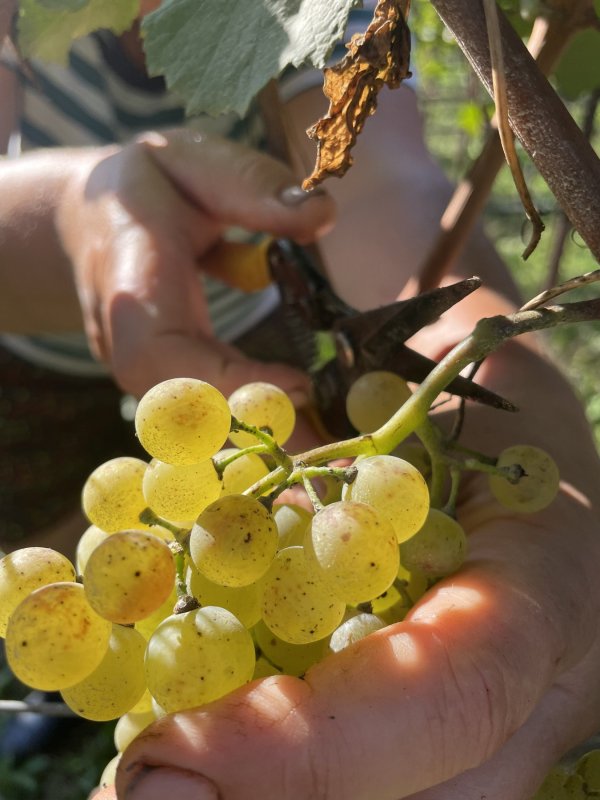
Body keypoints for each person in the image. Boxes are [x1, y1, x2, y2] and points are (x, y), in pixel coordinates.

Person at [2, 4, 600, 800]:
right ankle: (78, 674)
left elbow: (389, 195)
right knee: (70, 541)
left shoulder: (307, 9)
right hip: (20, 359)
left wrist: (509, 394)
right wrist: (77, 208)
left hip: (246, 355)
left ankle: (113, 663)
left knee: (225, 525)